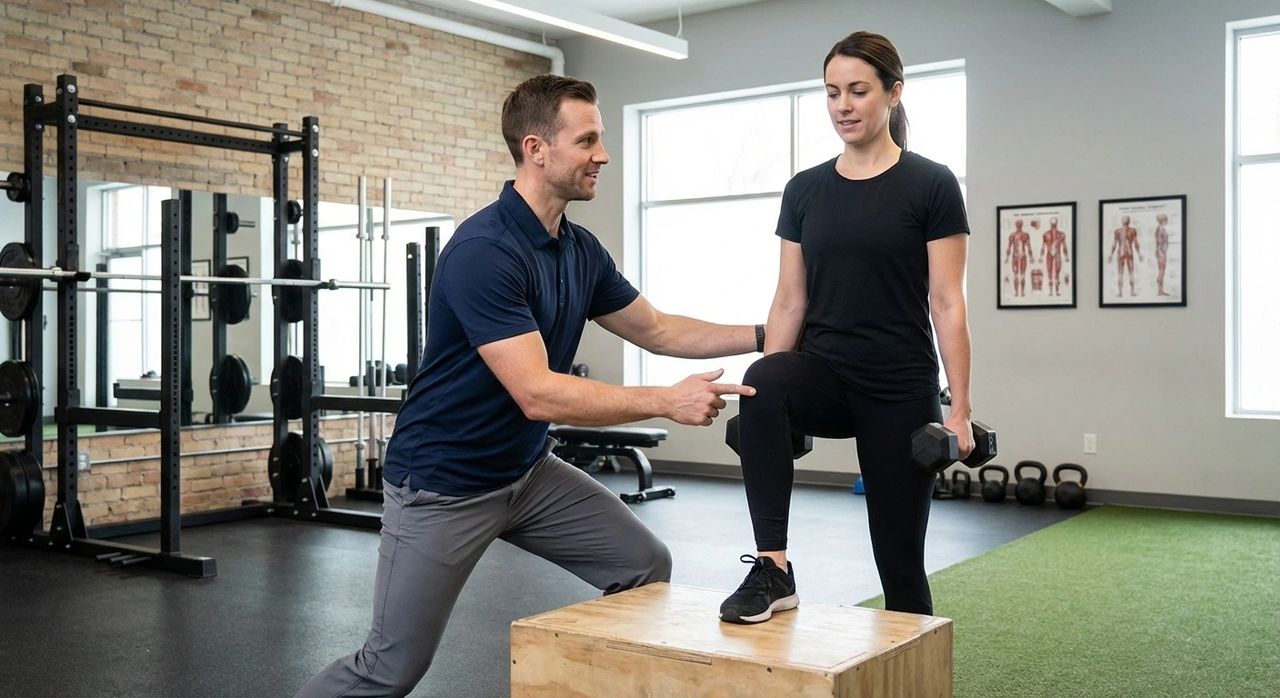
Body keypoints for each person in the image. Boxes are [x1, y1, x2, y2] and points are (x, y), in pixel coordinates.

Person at [298, 74, 760, 697]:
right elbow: (537, 393)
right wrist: (665, 401)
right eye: (588, 139)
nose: (603, 154)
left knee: (643, 564)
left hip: (526, 475)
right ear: (537, 149)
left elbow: (657, 329)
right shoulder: (485, 250)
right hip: (444, 485)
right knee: (390, 668)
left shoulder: (577, 248)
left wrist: (769, 334)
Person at [718, 30, 973, 624]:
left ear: (894, 94)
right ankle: (774, 570)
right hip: (826, 376)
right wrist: (764, 395)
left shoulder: (931, 184)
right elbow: (789, 299)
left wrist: (958, 410)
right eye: (832, 92)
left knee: (900, 564)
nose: (843, 106)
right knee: (765, 379)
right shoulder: (805, 190)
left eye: (858, 91)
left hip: (899, 388)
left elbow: (947, 302)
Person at [1107, 215, 1142, 297]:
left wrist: (1111, 254)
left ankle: (1120, 292)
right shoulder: (1132, 230)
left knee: (1120, 272)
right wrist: (1139, 254)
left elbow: (1114, 244)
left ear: (1121, 221)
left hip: (1120, 253)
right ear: (1129, 221)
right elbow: (1136, 244)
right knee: (1131, 272)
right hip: (1129, 253)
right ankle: (1132, 292)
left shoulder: (1117, 231)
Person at [1038, 217, 1070, 296]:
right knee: (1051, 272)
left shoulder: (1061, 234)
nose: (1053, 225)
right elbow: (1043, 247)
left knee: (1056, 273)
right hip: (1051, 255)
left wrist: (1066, 256)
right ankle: (1052, 291)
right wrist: (1041, 257)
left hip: (1056, 255)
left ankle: (1054, 291)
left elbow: (1064, 247)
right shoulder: (1046, 234)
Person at [1004, 218, 1032, 297]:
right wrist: (1007, 258)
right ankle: (1017, 293)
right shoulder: (1012, 235)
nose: (1019, 226)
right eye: (1018, 224)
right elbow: (1009, 247)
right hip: (1016, 256)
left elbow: (1028, 247)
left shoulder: (1025, 235)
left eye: (1019, 224)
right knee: (1016, 275)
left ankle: (1022, 292)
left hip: (1022, 256)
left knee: (1022, 275)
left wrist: (1031, 257)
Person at [1153, 213, 1170, 296]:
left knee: (1161, 270)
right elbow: (1164, 242)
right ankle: (1160, 291)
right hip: (1162, 252)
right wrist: (1164, 250)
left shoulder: (1157, 229)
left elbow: (1157, 242)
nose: (1167, 221)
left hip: (1159, 251)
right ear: (1163, 221)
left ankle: (1160, 290)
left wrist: (1157, 250)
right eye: (1166, 219)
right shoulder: (1162, 229)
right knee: (1161, 271)